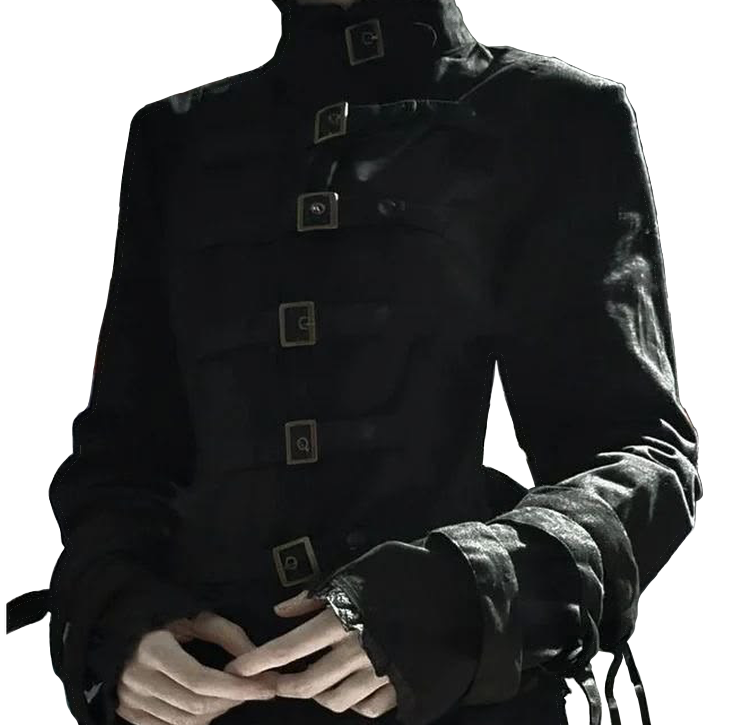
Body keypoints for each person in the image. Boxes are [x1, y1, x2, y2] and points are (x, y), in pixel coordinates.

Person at [1, 0, 701, 724]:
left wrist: (451, 600)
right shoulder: (179, 140)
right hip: (211, 701)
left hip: (459, 702)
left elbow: (642, 457)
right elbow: (125, 455)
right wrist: (125, 621)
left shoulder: (552, 117)